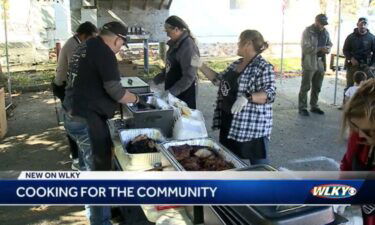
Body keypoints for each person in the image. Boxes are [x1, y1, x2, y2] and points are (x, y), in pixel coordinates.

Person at [63, 21, 139, 225]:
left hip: (72, 114)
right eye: (122, 45)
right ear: (117, 39)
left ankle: (101, 210)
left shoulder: (85, 45)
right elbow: (116, 91)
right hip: (86, 119)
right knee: (98, 177)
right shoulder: (105, 53)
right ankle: (100, 220)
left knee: (90, 169)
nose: (120, 49)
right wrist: (137, 99)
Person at [199, 30, 276, 165]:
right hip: (229, 122)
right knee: (229, 162)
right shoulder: (236, 64)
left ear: (247, 44)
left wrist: (247, 97)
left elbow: (269, 94)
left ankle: (266, 184)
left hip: (251, 127)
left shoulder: (263, 67)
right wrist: (200, 65)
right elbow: (218, 80)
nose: (237, 45)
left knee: (260, 166)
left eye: (239, 42)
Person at [52, 21, 98, 170]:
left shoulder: (77, 42)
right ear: (84, 35)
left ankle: (78, 156)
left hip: (67, 84)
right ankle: (77, 159)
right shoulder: (74, 46)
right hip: (63, 86)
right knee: (75, 122)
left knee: (77, 122)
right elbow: (79, 71)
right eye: (91, 37)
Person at [340, 79, 375, 225]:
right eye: (355, 127)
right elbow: (347, 165)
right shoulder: (358, 136)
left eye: (368, 131)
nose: (360, 135)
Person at [153, 15, 200, 109]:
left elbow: (189, 76)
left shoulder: (188, 47)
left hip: (184, 94)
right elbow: (171, 66)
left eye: (168, 31)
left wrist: (171, 92)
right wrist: (158, 78)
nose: (167, 35)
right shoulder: (175, 44)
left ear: (176, 29)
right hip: (173, 92)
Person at [298, 14, 332, 116]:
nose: (322, 26)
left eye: (324, 24)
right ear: (316, 21)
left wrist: (328, 49)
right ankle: (302, 107)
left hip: (321, 61)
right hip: (309, 61)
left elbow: (330, 43)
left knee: (317, 86)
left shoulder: (325, 32)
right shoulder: (308, 31)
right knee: (305, 86)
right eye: (321, 23)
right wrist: (320, 48)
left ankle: (314, 106)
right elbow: (305, 47)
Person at [343, 17, 375, 88]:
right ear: (357, 24)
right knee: (349, 87)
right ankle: (348, 99)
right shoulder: (350, 37)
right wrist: (351, 58)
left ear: (367, 25)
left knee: (369, 87)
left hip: (366, 67)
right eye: (361, 24)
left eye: (365, 24)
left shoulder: (372, 38)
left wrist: (373, 65)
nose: (363, 26)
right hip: (352, 66)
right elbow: (345, 50)